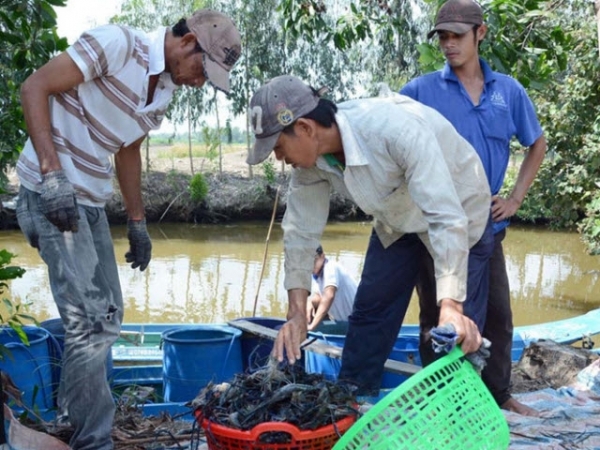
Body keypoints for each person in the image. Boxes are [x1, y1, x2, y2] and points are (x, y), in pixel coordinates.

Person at [15, 10, 241, 449]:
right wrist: (51, 173)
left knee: (110, 315)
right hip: (53, 195)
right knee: (89, 324)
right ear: (188, 41)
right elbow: (34, 87)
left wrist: (138, 223)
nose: (200, 82)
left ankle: (74, 415)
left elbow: (128, 151)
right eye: (202, 68)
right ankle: (91, 439)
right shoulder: (119, 44)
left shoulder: (166, 92)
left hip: (91, 202)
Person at [246, 74, 495, 396]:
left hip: (458, 210)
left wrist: (451, 306)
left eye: (278, 147)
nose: (279, 159)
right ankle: (351, 399)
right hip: (397, 219)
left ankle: (459, 416)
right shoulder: (309, 165)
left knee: (449, 330)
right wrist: (295, 314)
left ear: (306, 128)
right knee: (370, 312)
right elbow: (300, 233)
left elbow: (445, 217)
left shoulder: (393, 130)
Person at [400, 0, 546, 416]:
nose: (448, 45)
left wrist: (516, 198)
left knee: (497, 316)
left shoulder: (508, 92)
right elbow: (391, 135)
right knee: (439, 318)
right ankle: (445, 403)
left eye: (457, 36)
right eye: (442, 37)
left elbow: (536, 143)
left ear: (480, 34)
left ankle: (499, 396)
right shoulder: (420, 91)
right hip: (436, 230)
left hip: (488, 228)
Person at [306, 245, 358, 330]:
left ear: (322, 256)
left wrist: (312, 326)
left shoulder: (330, 267)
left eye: (314, 260)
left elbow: (329, 296)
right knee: (310, 307)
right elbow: (319, 297)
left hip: (358, 323)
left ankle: (315, 329)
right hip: (345, 323)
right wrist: (310, 302)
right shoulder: (317, 275)